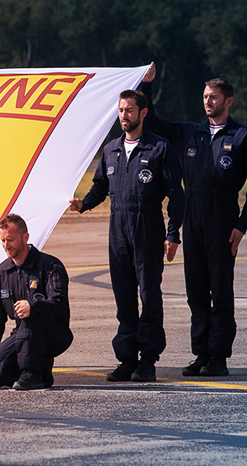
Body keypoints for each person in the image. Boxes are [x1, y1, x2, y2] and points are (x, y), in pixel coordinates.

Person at [69, 89, 185, 382]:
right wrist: (83, 204)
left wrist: (172, 234)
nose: (124, 115)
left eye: (130, 110)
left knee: (149, 295)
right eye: (121, 110)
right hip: (117, 230)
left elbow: (176, 196)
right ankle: (127, 359)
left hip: (147, 228)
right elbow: (100, 187)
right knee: (123, 297)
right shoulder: (111, 149)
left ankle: (148, 360)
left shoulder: (159, 148)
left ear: (143, 113)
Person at [141, 63, 247, 377]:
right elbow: (155, 123)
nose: (208, 101)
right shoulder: (191, 132)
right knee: (196, 291)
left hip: (223, 221)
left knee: (221, 290)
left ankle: (219, 357)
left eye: (214, 97)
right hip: (193, 218)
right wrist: (147, 85)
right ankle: (201, 353)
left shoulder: (241, 137)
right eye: (204, 96)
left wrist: (241, 226)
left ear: (228, 101)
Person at [0, 214, 73, 391]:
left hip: (54, 333)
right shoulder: (1, 273)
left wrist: (34, 306)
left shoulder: (50, 265)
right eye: (3, 241)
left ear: (25, 237)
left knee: (29, 312)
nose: (6, 246)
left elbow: (59, 303)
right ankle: (37, 371)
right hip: (23, 334)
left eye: (11, 240)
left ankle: (33, 374)